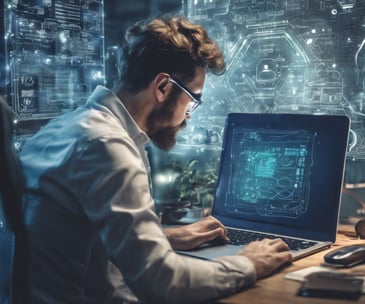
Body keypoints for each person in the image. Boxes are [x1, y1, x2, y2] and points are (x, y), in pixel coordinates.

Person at [20, 15, 292, 304]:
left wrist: (165, 238)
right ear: (162, 87)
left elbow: (81, 240)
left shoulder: (64, 129)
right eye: (193, 100)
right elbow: (161, 282)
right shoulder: (106, 145)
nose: (189, 116)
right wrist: (248, 263)